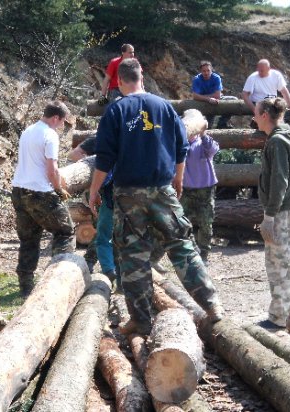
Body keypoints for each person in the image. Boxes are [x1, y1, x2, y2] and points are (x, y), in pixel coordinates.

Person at [89, 58, 224, 335]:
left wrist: (93, 191)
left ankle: (141, 319)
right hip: (162, 189)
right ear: (142, 76)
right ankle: (212, 305)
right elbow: (181, 147)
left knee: (133, 256)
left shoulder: (115, 110)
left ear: (119, 81)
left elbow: (104, 159)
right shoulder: (164, 106)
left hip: (128, 194)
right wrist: (178, 178)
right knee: (182, 245)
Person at [11, 101, 75, 297]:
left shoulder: (28, 131)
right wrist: (59, 189)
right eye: (62, 122)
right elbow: (51, 169)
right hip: (40, 192)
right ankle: (57, 281)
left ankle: (26, 286)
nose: (61, 126)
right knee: (65, 231)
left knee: (29, 239)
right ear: (56, 118)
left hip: (19, 190)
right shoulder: (50, 135)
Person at [255, 97, 290, 328]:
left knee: (278, 266)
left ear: (265, 115)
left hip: (282, 213)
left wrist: (269, 216)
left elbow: (279, 182)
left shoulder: (277, 142)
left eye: (256, 113)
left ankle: (279, 318)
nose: (254, 117)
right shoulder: (288, 136)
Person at [69, 137, 119, 285]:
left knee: (105, 234)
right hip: (104, 194)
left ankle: (108, 268)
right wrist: (88, 164)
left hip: (109, 195)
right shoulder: (97, 140)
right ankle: (99, 265)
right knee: (103, 232)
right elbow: (73, 155)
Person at [180, 109, 219, 264]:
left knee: (206, 223)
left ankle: (203, 254)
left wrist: (203, 133)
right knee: (182, 222)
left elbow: (213, 150)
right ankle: (189, 251)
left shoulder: (204, 142)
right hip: (186, 190)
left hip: (205, 190)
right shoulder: (180, 143)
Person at [243, 59, 290, 125]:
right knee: (268, 118)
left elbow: (284, 92)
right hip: (260, 105)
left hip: (273, 104)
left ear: (268, 69)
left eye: (262, 71)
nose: (260, 72)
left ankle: (283, 131)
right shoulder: (252, 77)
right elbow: (245, 95)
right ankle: (258, 123)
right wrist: (255, 110)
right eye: (258, 70)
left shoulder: (276, 75)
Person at [191, 60, 235, 129]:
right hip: (203, 103)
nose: (206, 73)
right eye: (204, 71)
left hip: (217, 101)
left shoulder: (216, 78)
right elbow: (195, 96)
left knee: (233, 101)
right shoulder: (197, 79)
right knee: (208, 127)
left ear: (211, 70)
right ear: (201, 71)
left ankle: (222, 123)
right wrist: (208, 99)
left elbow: (217, 96)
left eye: (208, 70)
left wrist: (201, 96)